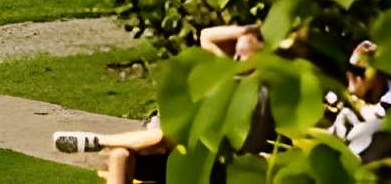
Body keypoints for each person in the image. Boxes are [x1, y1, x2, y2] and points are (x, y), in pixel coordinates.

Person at [53, 23, 265, 181]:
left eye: (243, 54)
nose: (236, 58)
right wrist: (254, 30)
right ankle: (98, 142)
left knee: (164, 137)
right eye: (237, 52)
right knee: (121, 155)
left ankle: (97, 141)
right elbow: (206, 36)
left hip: (201, 159)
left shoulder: (267, 87)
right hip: (174, 150)